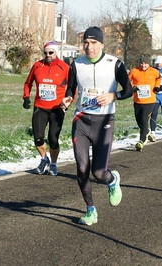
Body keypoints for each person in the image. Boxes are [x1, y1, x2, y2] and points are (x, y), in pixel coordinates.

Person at [60, 26, 133, 225]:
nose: (88, 46)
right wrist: (67, 98)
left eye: (93, 43)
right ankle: (90, 209)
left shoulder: (114, 64)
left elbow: (129, 90)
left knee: (98, 172)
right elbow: (71, 88)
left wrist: (113, 95)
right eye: (86, 42)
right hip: (81, 120)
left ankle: (112, 180)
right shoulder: (76, 65)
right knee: (82, 168)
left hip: (104, 122)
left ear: (102, 44)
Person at [23, 41, 70, 176]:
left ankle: (54, 164)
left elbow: (72, 87)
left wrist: (68, 102)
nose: (48, 55)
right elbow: (28, 83)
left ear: (56, 52)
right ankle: (44, 159)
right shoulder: (37, 65)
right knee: (38, 138)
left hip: (57, 108)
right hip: (40, 107)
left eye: (51, 52)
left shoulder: (64, 67)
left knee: (53, 139)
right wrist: (26, 97)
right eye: (45, 53)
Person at [128, 54, 162, 151]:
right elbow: (127, 80)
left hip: (149, 101)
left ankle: (141, 141)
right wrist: (132, 87)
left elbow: (159, 78)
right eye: (142, 63)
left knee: (144, 121)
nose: (143, 65)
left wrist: (157, 86)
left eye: (146, 63)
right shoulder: (134, 71)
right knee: (139, 122)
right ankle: (146, 131)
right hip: (137, 101)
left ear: (149, 64)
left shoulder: (154, 72)